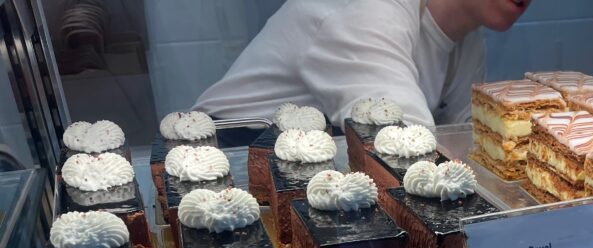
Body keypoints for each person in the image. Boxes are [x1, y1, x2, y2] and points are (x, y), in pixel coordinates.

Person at [194, 0, 532, 127]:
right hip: (221, 164)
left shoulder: (467, 40)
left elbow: (468, 140)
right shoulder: (367, 10)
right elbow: (404, 146)